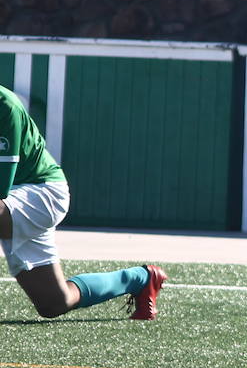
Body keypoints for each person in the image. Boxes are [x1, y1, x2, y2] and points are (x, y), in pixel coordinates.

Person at [1, 85, 167, 320]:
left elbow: (1, 188)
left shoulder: (4, 104)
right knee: (54, 302)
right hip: (13, 201)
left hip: (42, 193)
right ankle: (141, 278)